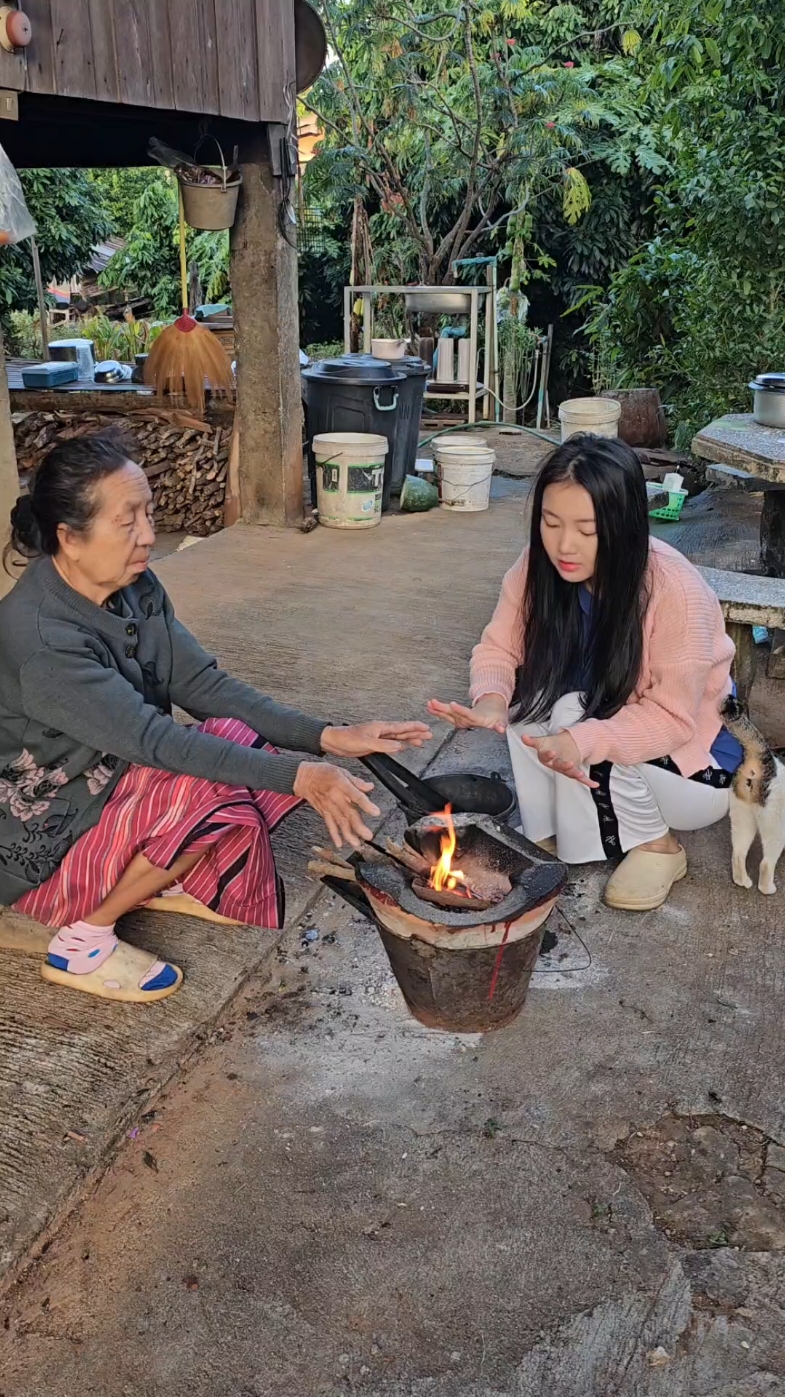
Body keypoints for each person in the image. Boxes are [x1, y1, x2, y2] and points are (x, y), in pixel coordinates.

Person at [0, 428, 431, 1003]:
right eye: (126, 523)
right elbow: (156, 740)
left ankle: (155, 876)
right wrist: (302, 776)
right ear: (68, 538)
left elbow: (200, 683)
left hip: (108, 776)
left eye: (148, 514)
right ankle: (83, 940)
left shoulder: (134, 587)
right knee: (214, 796)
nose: (149, 536)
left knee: (243, 740)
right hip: (39, 828)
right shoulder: (42, 639)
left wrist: (327, 737)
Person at [429, 435, 742, 912]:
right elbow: (500, 645)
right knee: (526, 707)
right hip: (608, 721)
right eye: (551, 523)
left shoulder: (675, 590)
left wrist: (580, 741)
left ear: (623, 526)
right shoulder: (537, 567)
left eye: (587, 529)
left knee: (572, 714)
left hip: (696, 770)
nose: (564, 545)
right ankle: (550, 832)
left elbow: (674, 720)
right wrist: (489, 700)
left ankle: (659, 846)